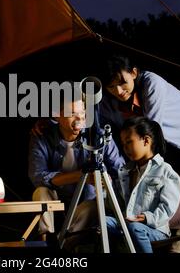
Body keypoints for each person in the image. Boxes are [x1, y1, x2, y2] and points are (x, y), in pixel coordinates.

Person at [28, 92, 125, 247]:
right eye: (72, 114)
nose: (79, 119)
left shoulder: (97, 136)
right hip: (57, 196)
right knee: (40, 192)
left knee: (93, 206)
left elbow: (121, 170)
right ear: (56, 115)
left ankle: (60, 246)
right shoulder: (42, 135)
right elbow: (37, 175)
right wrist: (82, 176)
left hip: (87, 199)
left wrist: (107, 181)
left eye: (82, 113)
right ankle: (44, 242)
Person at [99, 55, 180, 181]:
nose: (119, 91)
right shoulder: (107, 102)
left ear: (134, 73)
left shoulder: (152, 84)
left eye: (122, 83)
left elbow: (150, 132)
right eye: (111, 87)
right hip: (167, 141)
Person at [106, 116, 180, 253]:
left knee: (135, 228)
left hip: (154, 229)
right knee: (103, 221)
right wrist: (108, 188)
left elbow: (168, 207)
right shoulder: (125, 171)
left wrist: (148, 218)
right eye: (123, 144)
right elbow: (118, 203)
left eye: (129, 142)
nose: (125, 148)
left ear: (146, 140)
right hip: (127, 222)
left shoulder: (165, 171)